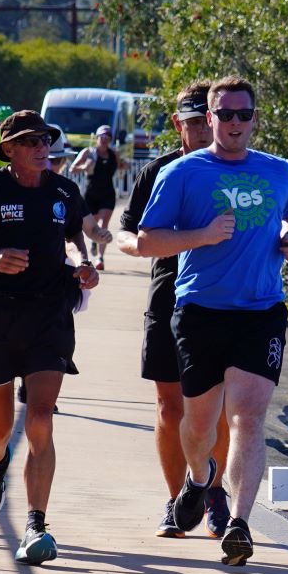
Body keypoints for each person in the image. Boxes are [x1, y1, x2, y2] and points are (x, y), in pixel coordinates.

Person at [136, 77, 288, 567]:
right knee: (198, 426)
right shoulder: (184, 173)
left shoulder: (277, 171)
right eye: (225, 114)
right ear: (208, 119)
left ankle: (239, 523)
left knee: (249, 418)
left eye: (243, 114)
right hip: (200, 311)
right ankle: (197, 478)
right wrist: (203, 235)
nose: (235, 122)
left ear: (255, 118)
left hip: (260, 311)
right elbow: (148, 240)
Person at [0, 110, 98, 565]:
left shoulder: (64, 191)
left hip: (51, 313)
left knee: (42, 418)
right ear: (8, 149)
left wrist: (84, 267)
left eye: (45, 139)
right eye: (29, 141)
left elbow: (74, 240)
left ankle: (35, 525)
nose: (41, 147)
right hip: (0, 316)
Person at [114, 83, 232, 538]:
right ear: (178, 124)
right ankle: (176, 501)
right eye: (195, 121)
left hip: (219, 297)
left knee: (215, 407)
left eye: (210, 119)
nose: (204, 129)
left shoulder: (237, 170)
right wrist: (139, 247)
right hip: (167, 293)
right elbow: (127, 233)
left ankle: (214, 494)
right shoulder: (159, 171)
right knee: (169, 408)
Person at [68, 125, 121, 270]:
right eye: (102, 137)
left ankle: (100, 258)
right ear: (97, 138)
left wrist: (126, 165)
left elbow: (122, 165)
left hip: (108, 194)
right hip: (91, 194)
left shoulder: (114, 154)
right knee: (93, 225)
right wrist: (85, 167)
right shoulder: (88, 153)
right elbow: (72, 169)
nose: (104, 140)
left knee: (104, 225)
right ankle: (93, 242)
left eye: (107, 138)